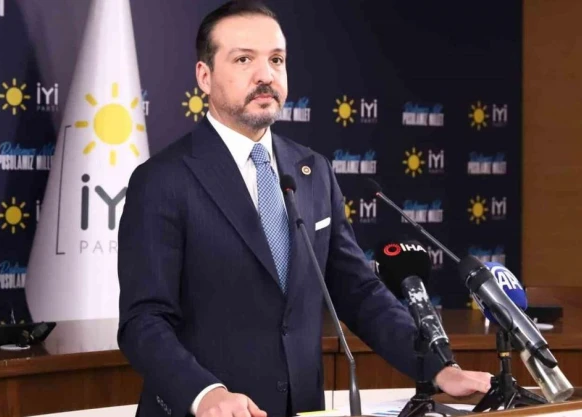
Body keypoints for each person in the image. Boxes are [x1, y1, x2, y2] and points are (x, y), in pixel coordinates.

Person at [117, 1, 492, 417]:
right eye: (244, 59)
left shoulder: (312, 170)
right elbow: (143, 320)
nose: (265, 75)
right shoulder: (163, 179)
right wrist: (205, 394)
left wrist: (437, 368)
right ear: (204, 76)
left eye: (276, 60)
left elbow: (358, 291)